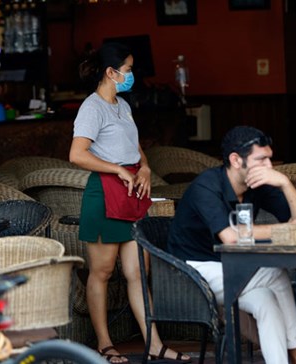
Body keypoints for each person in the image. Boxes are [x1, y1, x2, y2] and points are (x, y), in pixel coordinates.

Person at [69, 42, 191, 364]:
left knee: (138, 271)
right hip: (104, 194)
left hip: (132, 193)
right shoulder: (91, 108)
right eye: (128, 69)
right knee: (103, 272)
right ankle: (105, 345)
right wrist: (117, 169)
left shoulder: (122, 105)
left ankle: (154, 343)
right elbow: (77, 155)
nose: (132, 74)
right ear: (111, 72)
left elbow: (135, 147)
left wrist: (146, 167)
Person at [167, 125, 296, 364]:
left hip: (231, 267)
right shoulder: (206, 186)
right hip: (191, 270)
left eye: (270, 158)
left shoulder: (257, 184)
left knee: (265, 300)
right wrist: (289, 229)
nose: (270, 166)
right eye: (262, 159)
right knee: (274, 273)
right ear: (236, 160)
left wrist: (285, 183)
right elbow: (231, 237)